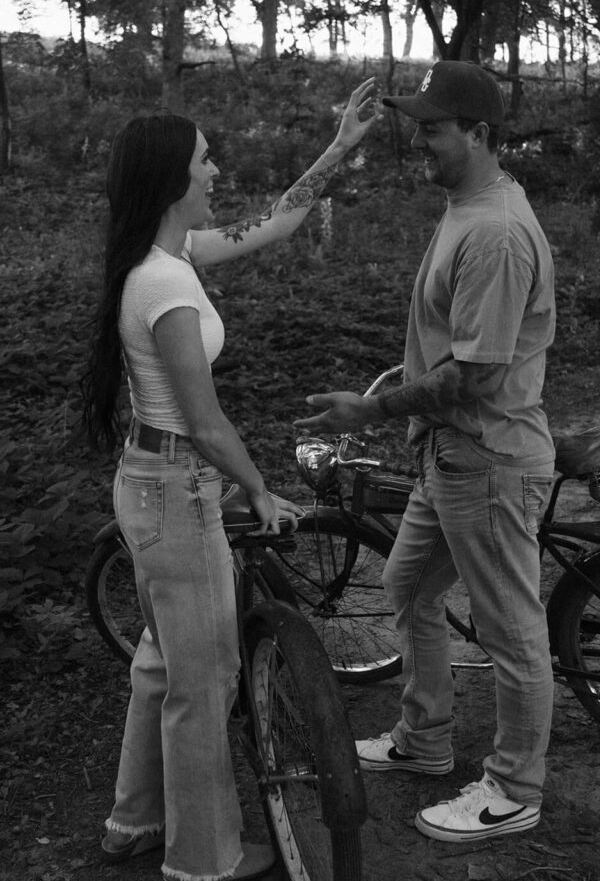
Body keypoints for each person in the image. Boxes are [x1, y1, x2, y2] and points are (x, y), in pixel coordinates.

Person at [81, 77, 379, 881]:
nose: (217, 173)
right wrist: (257, 487)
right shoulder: (166, 284)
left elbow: (276, 224)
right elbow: (204, 423)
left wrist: (341, 145)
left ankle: (133, 822)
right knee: (203, 679)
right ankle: (202, 857)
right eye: (206, 162)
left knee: (159, 661)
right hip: (174, 490)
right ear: (174, 177)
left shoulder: (168, 256)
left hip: (153, 484)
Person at [294, 61, 556, 845]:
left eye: (433, 128)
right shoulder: (466, 207)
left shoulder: (497, 233)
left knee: (511, 630)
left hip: (486, 458)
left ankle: (513, 789)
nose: (420, 142)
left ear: (478, 134)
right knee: (407, 586)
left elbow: (476, 373)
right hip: (446, 458)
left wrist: (372, 408)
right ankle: (425, 740)